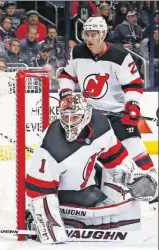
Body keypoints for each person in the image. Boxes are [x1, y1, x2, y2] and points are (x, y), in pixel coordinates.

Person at [24, 94, 158, 244]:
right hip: (67, 190)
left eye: (74, 118)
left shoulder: (100, 124)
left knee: (121, 194)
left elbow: (114, 155)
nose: (69, 123)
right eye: (65, 117)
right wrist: (48, 225)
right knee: (107, 215)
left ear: (86, 116)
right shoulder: (51, 146)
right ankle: (70, 218)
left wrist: (128, 173)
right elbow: (37, 190)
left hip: (88, 175)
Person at [58, 17, 157, 177]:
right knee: (85, 153)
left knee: (134, 146)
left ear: (103, 34)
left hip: (117, 113)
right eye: (87, 34)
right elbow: (67, 75)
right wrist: (66, 93)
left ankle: (153, 182)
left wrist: (132, 104)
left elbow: (133, 84)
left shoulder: (120, 55)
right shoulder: (77, 52)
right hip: (90, 115)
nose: (89, 39)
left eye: (93, 34)